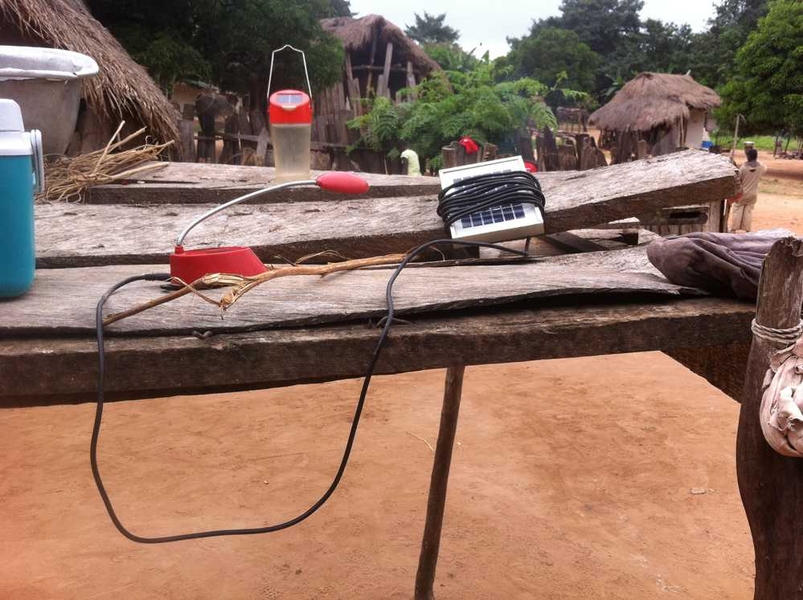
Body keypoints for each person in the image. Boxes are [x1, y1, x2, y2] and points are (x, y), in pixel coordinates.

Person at [730, 147, 767, 233]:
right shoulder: (760, 167)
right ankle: (747, 229)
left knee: (737, 209)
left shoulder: (744, 167)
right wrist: (758, 161)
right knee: (748, 211)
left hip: (742, 193)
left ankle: (734, 229)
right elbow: (765, 167)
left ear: (749, 156)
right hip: (753, 194)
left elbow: (738, 179)